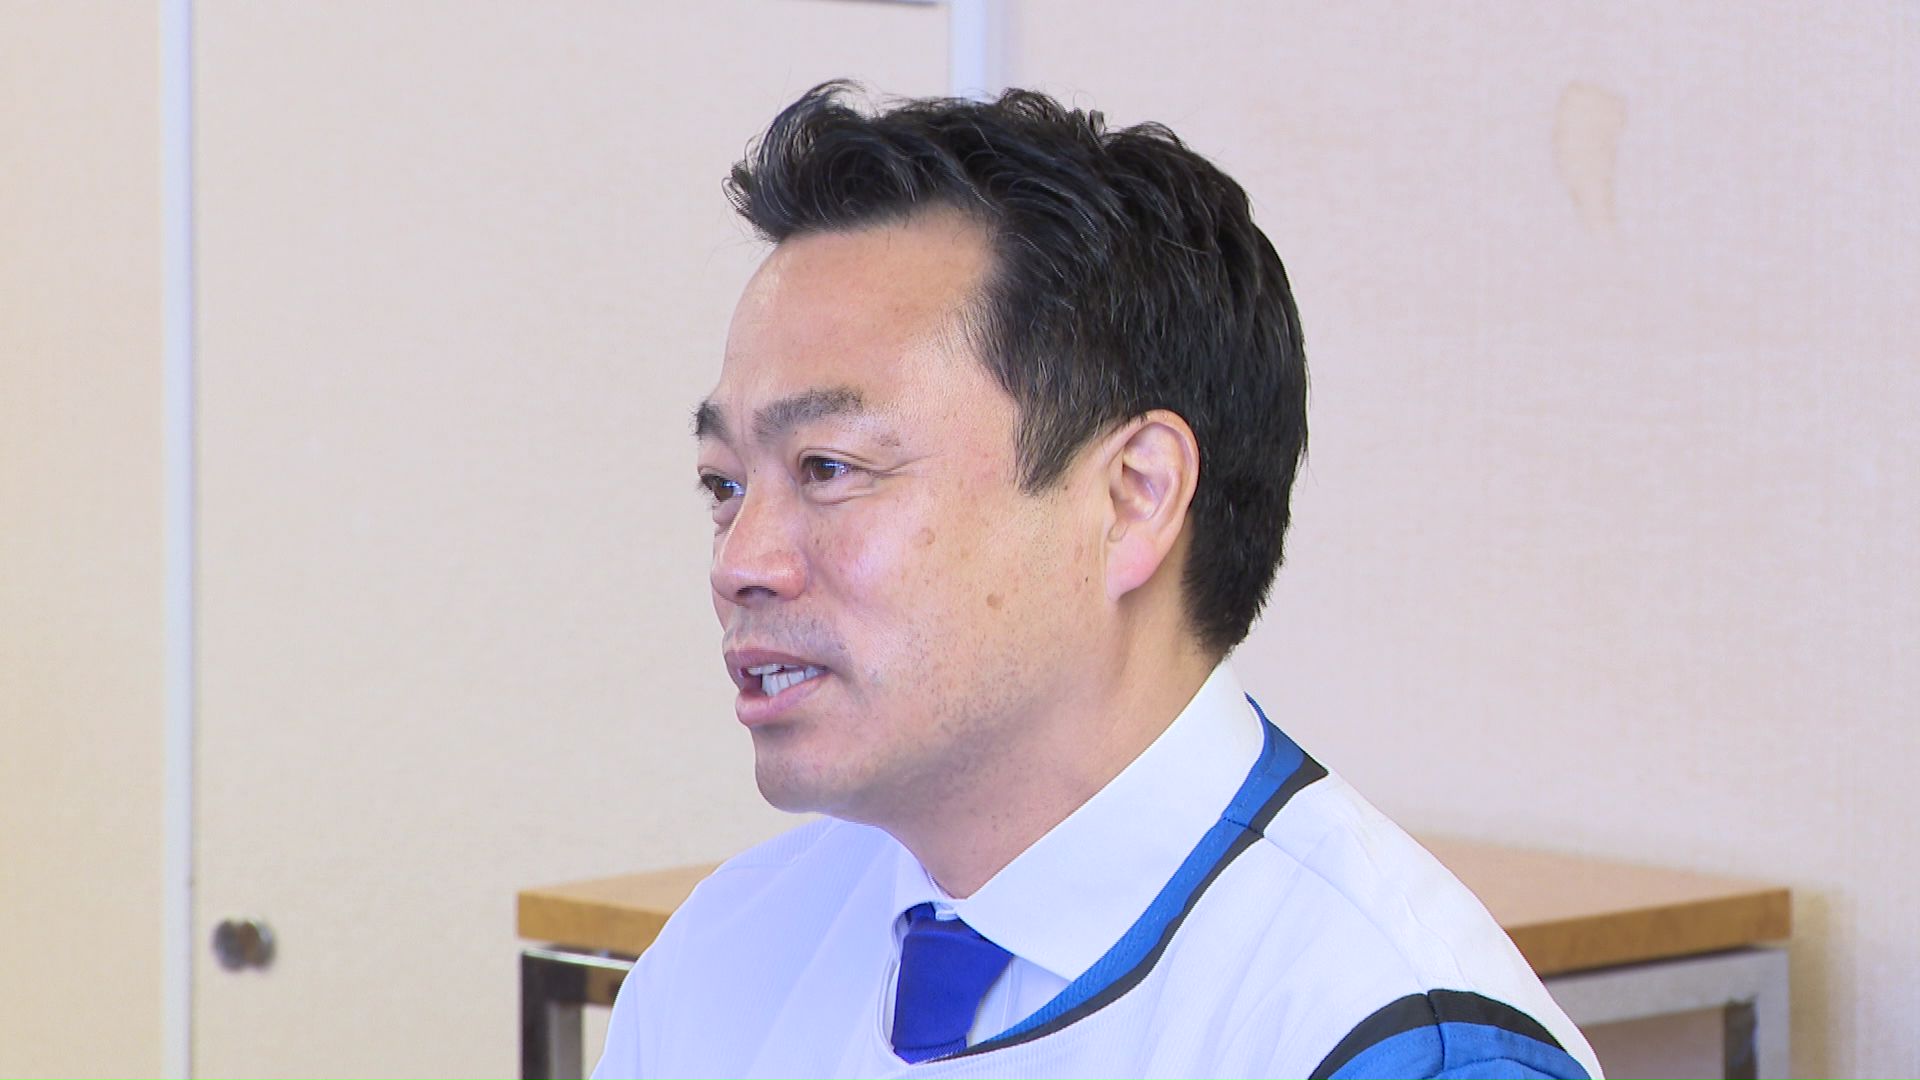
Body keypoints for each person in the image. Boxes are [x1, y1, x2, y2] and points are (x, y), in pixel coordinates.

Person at [593, 82, 1602, 1080]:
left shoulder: (1393, 1041)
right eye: (724, 484)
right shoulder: (722, 961)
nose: (741, 564)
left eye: (828, 468)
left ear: (1133, 497)